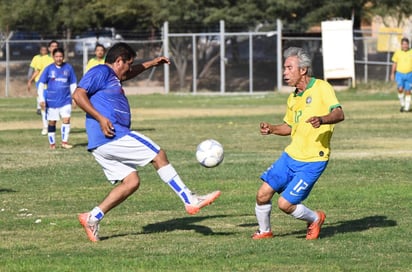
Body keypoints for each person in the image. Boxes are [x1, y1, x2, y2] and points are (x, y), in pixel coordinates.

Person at [72, 42, 221, 242]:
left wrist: (151, 64)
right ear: (118, 61)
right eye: (128, 64)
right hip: (114, 134)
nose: (129, 69)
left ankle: (92, 217)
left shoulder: (113, 77)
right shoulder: (100, 71)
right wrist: (100, 118)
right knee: (158, 154)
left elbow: (129, 73)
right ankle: (190, 199)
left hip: (100, 144)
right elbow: (78, 94)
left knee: (131, 182)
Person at [252, 47, 344, 241]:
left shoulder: (321, 87)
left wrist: (322, 119)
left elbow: (339, 114)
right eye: (284, 68)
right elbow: (289, 127)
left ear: (302, 70)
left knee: (285, 204)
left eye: (289, 68)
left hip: (313, 160)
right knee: (262, 194)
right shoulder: (293, 98)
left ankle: (316, 218)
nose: (285, 72)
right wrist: (272, 129)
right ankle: (264, 231)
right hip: (290, 156)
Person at [37, 47, 77, 150]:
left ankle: (64, 142)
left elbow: (73, 84)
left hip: (66, 99)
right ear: (53, 57)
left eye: (60, 56)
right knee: (52, 122)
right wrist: (41, 99)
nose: (59, 58)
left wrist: (74, 98)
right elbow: (41, 84)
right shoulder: (49, 69)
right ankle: (52, 144)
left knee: (66, 119)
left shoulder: (68, 68)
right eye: (56, 56)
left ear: (63, 57)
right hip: (52, 101)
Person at [28, 40, 60, 135]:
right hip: (44, 86)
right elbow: (37, 71)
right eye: (52, 46)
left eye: (56, 46)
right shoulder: (43, 59)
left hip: (56, 87)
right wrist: (30, 80)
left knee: (54, 108)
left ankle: (52, 125)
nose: (54, 47)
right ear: (49, 48)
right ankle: (45, 126)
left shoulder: (60, 59)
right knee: (43, 106)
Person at [390, 38, 412, 112]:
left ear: (408, 44)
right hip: (399, 74)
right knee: (400, 89)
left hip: (410, 74)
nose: (405, 46)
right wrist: (392, 73)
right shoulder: (398, 53)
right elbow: (394, 63)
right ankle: (402, 104)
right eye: (403, 44)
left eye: (406, 44)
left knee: (408, 91)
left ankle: (406, 108)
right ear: (401, 45)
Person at [27, 45, 48, 116]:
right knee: (39, 93)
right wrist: (29, 78)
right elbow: (32, 67)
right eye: (42, 50)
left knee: (46, 93)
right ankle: (39, 108)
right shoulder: (36, 58)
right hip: (38, 78)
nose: (44, 51)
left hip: (48, 79)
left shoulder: (49, 58)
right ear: (40, 50)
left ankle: (46, 106)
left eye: (45, 50)